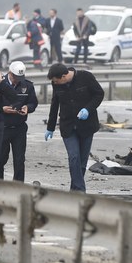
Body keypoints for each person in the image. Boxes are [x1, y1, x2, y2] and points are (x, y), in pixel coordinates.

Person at [45, 63, 104, 192]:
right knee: (74, 157)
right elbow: (55, 105)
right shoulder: (56, 84)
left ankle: (75, 191)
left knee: (82, 162)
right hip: (68, 126)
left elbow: (99, 94)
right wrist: (50, 127)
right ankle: (80, 190)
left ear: (64, 76)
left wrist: (88, 109)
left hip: (87, 126)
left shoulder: (86, 77)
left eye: (56, 80)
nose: (55, 83)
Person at [0, 61, 37, 182]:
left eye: (19, 78)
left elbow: (33, 102)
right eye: (14, 77)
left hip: (19, 128)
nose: (17, 81)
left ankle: (18, 186)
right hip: (2, 127)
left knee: (19, 160)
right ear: (9, 73)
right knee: (0, 159)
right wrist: (2, 109)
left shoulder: (27, 85)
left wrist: (28, 108)